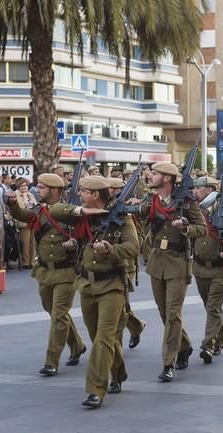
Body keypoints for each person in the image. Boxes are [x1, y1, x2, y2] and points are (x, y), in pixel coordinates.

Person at [48, 175, 138, 409]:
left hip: (112, 285)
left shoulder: (120, 218)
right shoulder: (81, 215)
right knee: (95, 335)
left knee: (104, 337)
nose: (80, 194)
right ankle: (118, 372)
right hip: (87, 284)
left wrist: (109, 249)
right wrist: (82, 211)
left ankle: (96, 390)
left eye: (84, 192)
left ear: (95, 195)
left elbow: (133, 247)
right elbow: (56, 210)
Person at [6, 173, 87, 377]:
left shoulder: (69, 212)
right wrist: (13, 203)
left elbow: (84, 232)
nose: (38, 189)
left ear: (54, 190)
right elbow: (23, 216)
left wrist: (75, 243)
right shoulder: (40, 211)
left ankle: (52, 361)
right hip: (44, 271)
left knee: (58, 315)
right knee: (52, 311)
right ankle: (76, 345)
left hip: (66, 271)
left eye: (42, 187)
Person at [134, 161, 206, 383]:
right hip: (157, 262)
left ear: (166, 178)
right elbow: (141, 216)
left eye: (154, 173)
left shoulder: (186, 202)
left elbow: (202, 228)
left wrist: (185, 227)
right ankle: (183, 345)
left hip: (177, 262)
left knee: (173, 314)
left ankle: (168, 362)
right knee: (165, 313)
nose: (150, 176)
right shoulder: (152, 200)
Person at [192, 175, 223, 364]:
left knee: (213, 307)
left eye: (199, 187)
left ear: (210, 188)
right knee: (210, 307)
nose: (195, 191)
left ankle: (208, 346)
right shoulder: (196, 210)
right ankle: (220, 338)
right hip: (199, 267)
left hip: (220, 270)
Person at [105, 177, 146, 350]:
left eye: (111, 188)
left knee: (119, 307)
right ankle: (136, 326)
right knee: (120, 306)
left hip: (125, 264)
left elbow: (140, 239)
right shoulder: (105, 207)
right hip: (106, 263)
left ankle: (115, 346)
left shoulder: (129, 210)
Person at [14, 177, 37, 269]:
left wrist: (28, 198)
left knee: (33, 243)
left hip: (32, 221)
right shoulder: (15, 195)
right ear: (18, 186)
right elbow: (21, 209)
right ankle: (25, 262)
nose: (24, 188)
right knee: (25, 243)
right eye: (22, 186)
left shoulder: (30, 195)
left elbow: (34, 206)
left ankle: (33, 261)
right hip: (23, 222)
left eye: (26, 186)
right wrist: (24, 198)